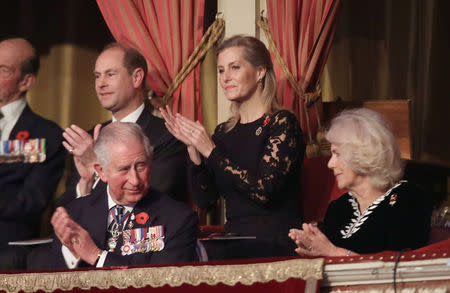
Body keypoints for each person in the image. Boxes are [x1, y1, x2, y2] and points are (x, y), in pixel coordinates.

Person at [161, 35, 305, 259]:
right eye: (220, 70)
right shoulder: (223, 133)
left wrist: (210, 151)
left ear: (259, 72)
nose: (225, 78)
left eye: (234, 67)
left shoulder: (282, 123)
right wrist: (194, 151)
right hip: (234, 238)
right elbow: (205, 201)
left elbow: (264, 191)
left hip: (275, 240)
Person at [48, 122, 197, 268]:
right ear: (101, 171)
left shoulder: (177, 219)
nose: (135, 180)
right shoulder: (74, 216)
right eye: (124, 169)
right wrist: (72, 253)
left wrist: (97, 256)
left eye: (141, 166)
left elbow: (165, 282)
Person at [289, 108, 432, 257]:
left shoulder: (408, 198)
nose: (330, 164)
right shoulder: (338, 208)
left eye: (337, 154)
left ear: (363, 154)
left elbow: (401, 265)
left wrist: (334, 252)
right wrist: (313, 249)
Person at [59, 42, 187, 205]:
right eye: (97, 76)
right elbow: (64, 208)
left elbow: (150, 202)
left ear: (136, 78)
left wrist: (96, 167)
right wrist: (85, 185)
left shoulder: (168, 136)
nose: (101, 84)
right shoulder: (89, 139)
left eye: (110, 74)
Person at [0, 38, 65, 268]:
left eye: (3, 70)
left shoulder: (45, 135)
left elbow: (31, 201)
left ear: (26, 81)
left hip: (7, 250)